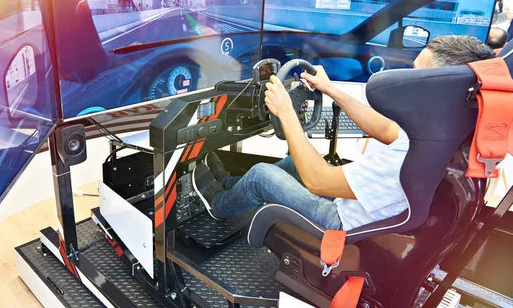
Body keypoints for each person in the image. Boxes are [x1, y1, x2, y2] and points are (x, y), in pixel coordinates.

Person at [192, 35, 495, 231]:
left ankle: (219, 206)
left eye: (416, 73)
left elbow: (318, 181)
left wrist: (286, 111)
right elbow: (386, 129)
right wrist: (332, 90)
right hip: (369, 209)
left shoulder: (412, 155)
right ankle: (233, 186)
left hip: (340, 223)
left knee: (261, 174)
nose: (408, 78)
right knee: (291, 164)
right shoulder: (443, 135)